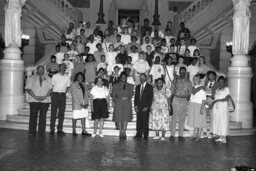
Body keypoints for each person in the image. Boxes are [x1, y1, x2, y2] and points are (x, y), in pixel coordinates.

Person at [26, 65, 52, 136]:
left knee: (43, 117)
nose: (40, 70)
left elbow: (51, 89)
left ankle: (41, 132)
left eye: (42, 69)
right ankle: (32, 132)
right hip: (33, 100)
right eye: (39, 69)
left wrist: (45, 96)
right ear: (37, 70)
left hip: (45, 101)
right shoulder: (32, 78)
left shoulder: (48, 78)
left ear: (44, 70)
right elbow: (28, 88)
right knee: (33, 116)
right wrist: (35, 97)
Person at [170, 67, 193, 141]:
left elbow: (190, 91)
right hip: (176, 98)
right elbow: (172, 90)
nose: (182, 72)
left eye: (184, 71)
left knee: (182, 118)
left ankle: (180, 135)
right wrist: (171, 100)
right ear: (179, 72)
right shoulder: (175, 80)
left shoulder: (188, 81)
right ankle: (172, 135)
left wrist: (188, 97)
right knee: (174, 117)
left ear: (185, 72)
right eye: (181, 71)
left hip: (184, 100)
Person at [50, 64, 70, 135]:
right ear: (59, 68)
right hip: (55, 94)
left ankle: (60, 129)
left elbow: (67, 87)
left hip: (62, 95)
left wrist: (64, 93)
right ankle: (52, 129)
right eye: (62, 67)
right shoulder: (54, 76)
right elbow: (52, 86)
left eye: (64, 67)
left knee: (61, 112)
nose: (63, 69)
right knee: (53, 112)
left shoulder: (67, 77)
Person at [112, 72, 134, 139]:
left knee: (125, 117)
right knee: (119, 117)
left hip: (127, 102)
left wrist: (127, 98)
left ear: (126, 78)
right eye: (122, 77)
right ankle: (120, 132)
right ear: (120, 78)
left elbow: (131, 94)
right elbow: (113, 94)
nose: (123, 78)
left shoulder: (130, 85)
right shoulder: (116, 85)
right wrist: (116, 100)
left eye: (125, 77)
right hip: (119, 101)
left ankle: (124, 132)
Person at [210, 76, 231, 144]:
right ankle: (220, 137)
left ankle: (224, 137)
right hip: (217, 108)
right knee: (218, 121)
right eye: (219, 82)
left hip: (223, 108)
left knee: (223, 121)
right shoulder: (217, 90)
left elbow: (227, 98)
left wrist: (218, 100)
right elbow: (215, 98)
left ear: (224, 82)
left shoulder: (226, 89)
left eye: (222, 82)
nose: (220, 83)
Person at [70, 72, 91, 136]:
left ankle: (84, 130)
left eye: (81, 77)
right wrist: (80, 104)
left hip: (84, 103)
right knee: (75, 117)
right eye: (79, 77)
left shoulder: (84, 85)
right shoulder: (73, 84)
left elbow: (86, 94)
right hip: (77, 103)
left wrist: (87, 103)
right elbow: (74, 96)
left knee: (83, 116)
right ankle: (74, 130)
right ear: (76, 78)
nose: (80, 78)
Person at [134, 73, 154, 140]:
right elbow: (136, 97)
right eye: (141, 77)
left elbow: (150, 98)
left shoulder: (149, 87)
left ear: (145, 78)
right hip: (138, 107)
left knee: (145, 121)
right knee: (139, 121)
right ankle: (139, 134)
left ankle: (145, 135)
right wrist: (135, 106)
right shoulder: (137, 87)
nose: (142, 79)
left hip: (145, 107)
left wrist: (147, 107)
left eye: (143, 77)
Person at [187, 74, 207, 142]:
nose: (195, 80)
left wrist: (202, 108)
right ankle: (195, 134)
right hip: (193, 105)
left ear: (199, 80)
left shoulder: (202, 89)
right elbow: (191, 98)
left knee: (199, 121)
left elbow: (204, 99)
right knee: (195, 121)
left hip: (199, 106)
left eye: (196, 79)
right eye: (194, 79)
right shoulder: (193, 88)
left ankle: (199, 135)